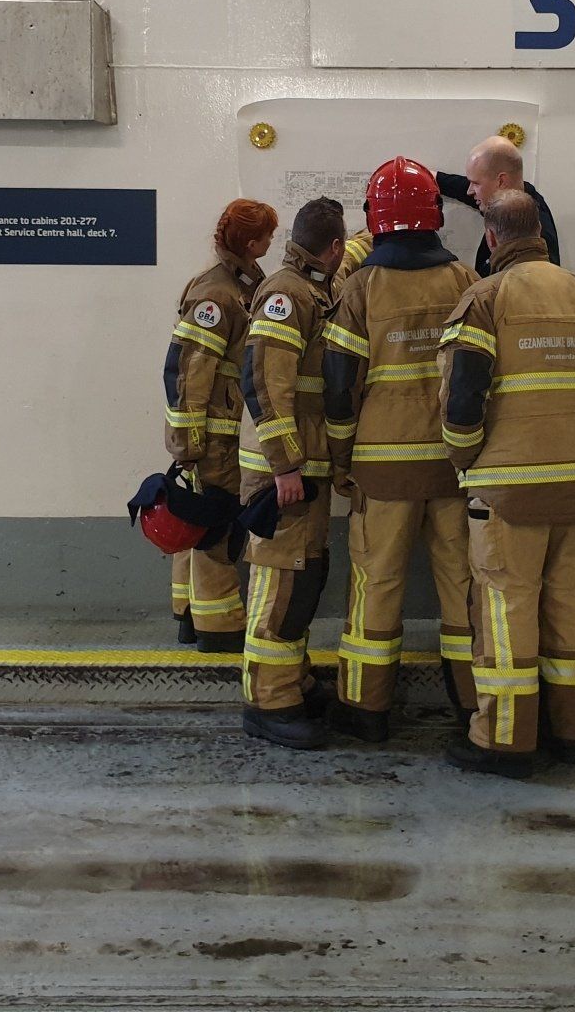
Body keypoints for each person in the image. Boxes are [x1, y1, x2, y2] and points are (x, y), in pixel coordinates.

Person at [436, 189, 575, 778]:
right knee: (571, 611)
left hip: (507, 498)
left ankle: (503, 741)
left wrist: (466, 460)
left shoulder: (483, 300)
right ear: (540, 232)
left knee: (506, 610)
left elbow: (461, 400)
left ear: (492, 238)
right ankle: (569, 732)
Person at [322, 157, 479, 740]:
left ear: (374, 219)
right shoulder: (464, 280)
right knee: (463, 588)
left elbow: (340, 387)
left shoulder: (361, 288)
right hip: (451, 468)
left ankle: (366, 710)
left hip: (381, 473)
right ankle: (474, 706)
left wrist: (342, 463)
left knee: (376, 585)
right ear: (434, 215)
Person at [237, 196, 347, 749]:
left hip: (306, 471)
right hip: (285, 475)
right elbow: (264, 381)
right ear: (332, 248)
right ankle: (268, 700)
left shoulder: (313, 287)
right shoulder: (286, 294)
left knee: (303, 578)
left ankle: (293, 681)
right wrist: (284, 466)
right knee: (280, 582)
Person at [161, 197, 277, 652]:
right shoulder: (217, 294)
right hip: (214, 434)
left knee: (199, 517)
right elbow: (190, 371)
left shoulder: (240, 283)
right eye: (268, 234)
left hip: (221, 430)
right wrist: (188, 441)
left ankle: (190, 614)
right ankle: (218, 625)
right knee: (215, 525)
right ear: (252, 242)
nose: (272, 241)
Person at [437, 135, 560, 278]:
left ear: (501, 181)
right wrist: (431, 177)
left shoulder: (538, 236)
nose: (469, 191)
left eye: (476, 183)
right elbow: (462, 187)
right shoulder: (514, 199)